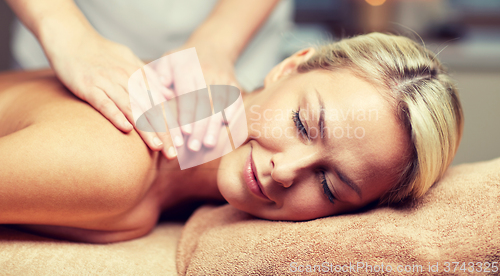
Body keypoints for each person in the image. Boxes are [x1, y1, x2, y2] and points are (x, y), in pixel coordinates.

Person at [0, 33, 463, 243]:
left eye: (329, 186)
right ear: (288, 66)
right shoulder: (118, 159)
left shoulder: (175, 159)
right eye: (303, 124)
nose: (285, 171)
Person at [0, 0, 317, 158]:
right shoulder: (106, 162)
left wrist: (215, 46)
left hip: (236, 60)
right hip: (67, 50)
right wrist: (65, 29)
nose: (286, 172)